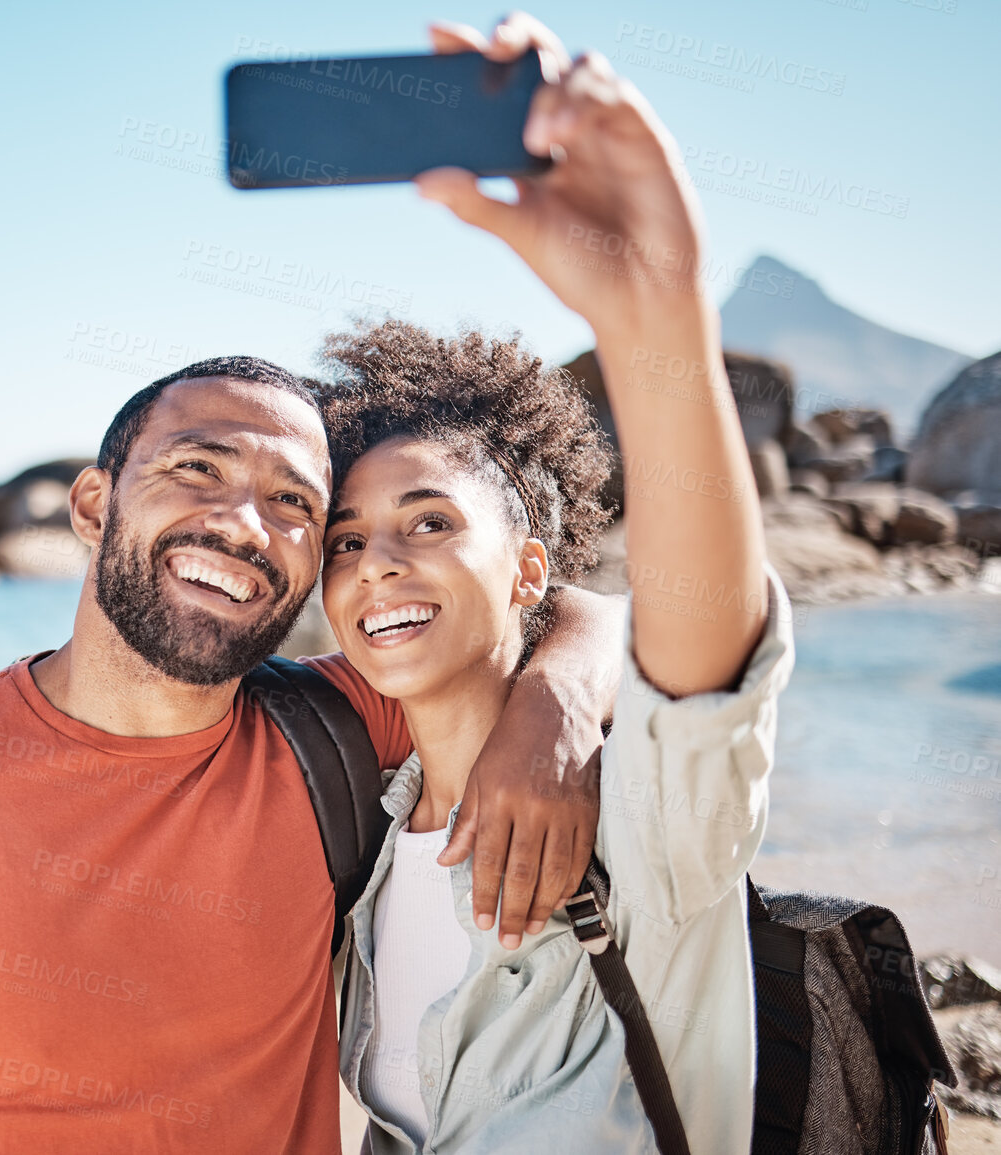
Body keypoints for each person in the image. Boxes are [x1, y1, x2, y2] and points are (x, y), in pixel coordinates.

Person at [0, 348, 623, 1153]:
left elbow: (577, 615)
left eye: (293, 504)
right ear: (91, 503)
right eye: (197, 468)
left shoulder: (339, 730)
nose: (243, 524)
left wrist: (555, 707)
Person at [312, 17, 788, 1154]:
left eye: (429, 521)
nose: (377, 559)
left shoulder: (639, 824)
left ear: (531, 567)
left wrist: (659, 316)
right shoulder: (358, 845)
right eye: (344, 539)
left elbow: (704, 670)